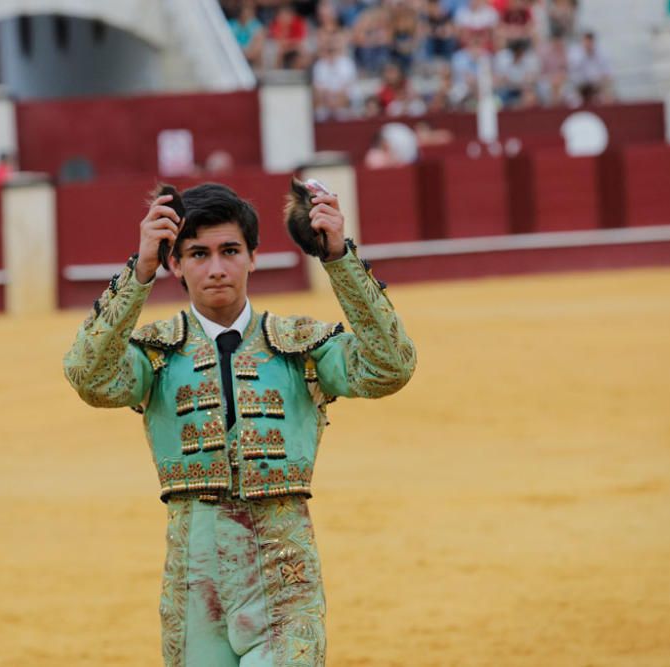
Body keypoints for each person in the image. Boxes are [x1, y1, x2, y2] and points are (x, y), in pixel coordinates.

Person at [63, 182, 417, 665]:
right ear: (176, 264)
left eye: (230, 250)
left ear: (253, 257)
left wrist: (339, 257)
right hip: (194, 584)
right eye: (198, 253)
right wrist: (138, 271)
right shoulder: (155, 353)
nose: (215, 268)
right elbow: (88, 376)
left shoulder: (300, 345)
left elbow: (390, 366)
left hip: (284, 576)